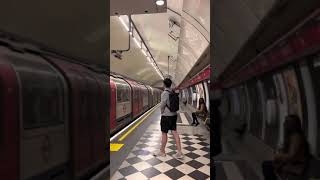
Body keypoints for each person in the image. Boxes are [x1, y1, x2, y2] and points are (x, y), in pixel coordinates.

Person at [262, 114, 310, 180]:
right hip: (293, 164)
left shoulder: (296, 137)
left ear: (293, 124)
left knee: (266, 166)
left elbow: (291, 156)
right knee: (269, 165)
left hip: (296, 168)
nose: (284, 123)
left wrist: (279, 156)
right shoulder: (293, 136)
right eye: (285, 121)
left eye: (287, 122)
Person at [154, 78, 183, 158]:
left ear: (164, 84)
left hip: (166, 116)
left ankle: (162, 152)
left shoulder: (164, 93)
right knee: (175, 132)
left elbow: (163, 104)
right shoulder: (173, 92)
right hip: (174, 115)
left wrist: (162, 111)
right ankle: (179, 152)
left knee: (164, 133)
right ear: (170, 84)